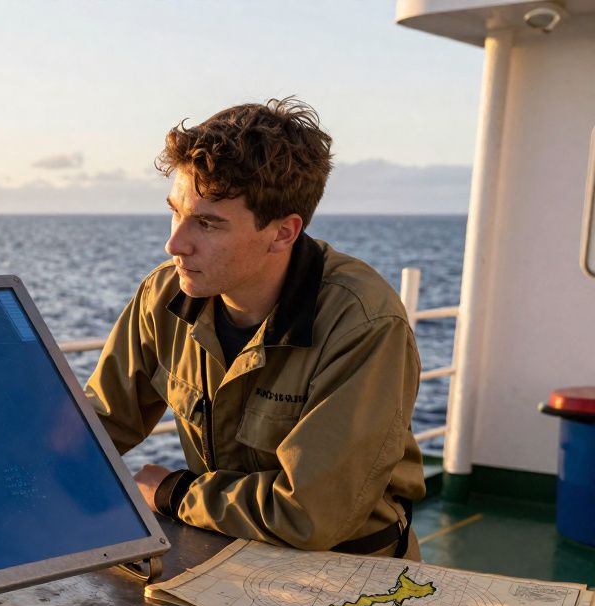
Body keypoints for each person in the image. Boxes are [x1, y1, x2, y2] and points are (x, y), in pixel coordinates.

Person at [86, 97, 425, 559]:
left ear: (283, 232)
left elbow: (309, 513)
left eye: (207, 223)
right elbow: (97, 424)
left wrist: (174, 493)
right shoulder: (163, 296)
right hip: (221, 553)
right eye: (176, 211)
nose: (175, 243)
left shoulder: (363, 323)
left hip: (350, 574)